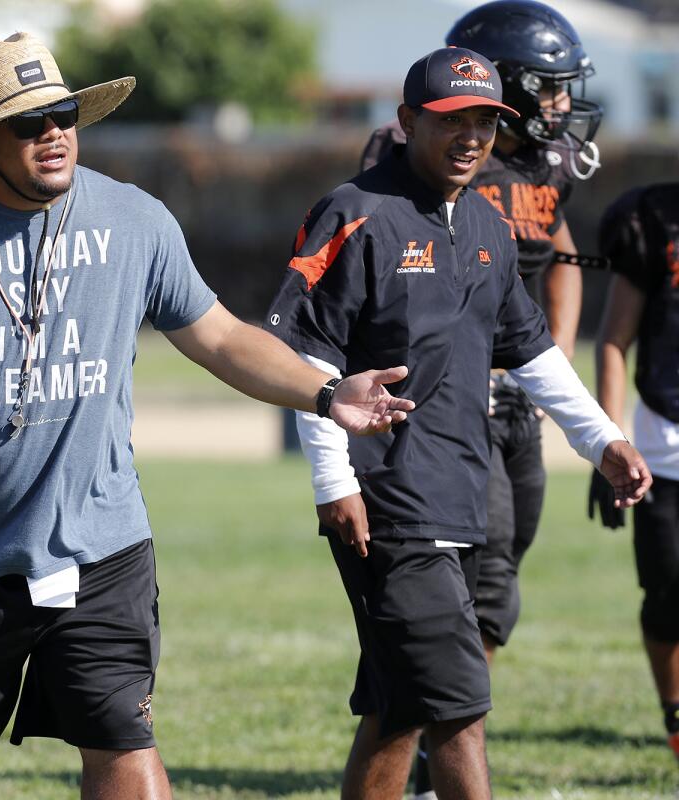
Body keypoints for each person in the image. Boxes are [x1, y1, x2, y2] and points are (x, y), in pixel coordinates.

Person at [0, 32, 413, 800]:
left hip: (102, 551)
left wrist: (324, 393)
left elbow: (223, 337)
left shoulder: (135, 221)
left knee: (126, 751)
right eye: (28, 123)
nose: (54, 134)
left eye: (63, 113)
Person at [268, 46, 651, 800]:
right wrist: (332, 480)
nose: (472, 135)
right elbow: (306, 358)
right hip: (388, 504)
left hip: (461, 494)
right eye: (453, 120)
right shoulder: (354, 213)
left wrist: (601, 437)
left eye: (485, 120)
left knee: (399, 707)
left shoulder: (485, 220)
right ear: (408, 121)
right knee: (460, 710)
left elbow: (531, 350)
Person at [360, 5, 605, 793]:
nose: (563, 105)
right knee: (472, 587)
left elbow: (560, 247)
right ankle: (443, 742)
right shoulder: (427, 161)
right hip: (445, 408)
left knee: (495, 597)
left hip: (514, 399)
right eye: (551, 88)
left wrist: (550, 355)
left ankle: (434, 737)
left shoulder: (537, 159)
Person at [592, 181, 679, 766]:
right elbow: (615, 340)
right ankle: (675, 715)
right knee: (669, 592)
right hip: (667, 441)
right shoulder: (654, 221)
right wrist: (610, 442)